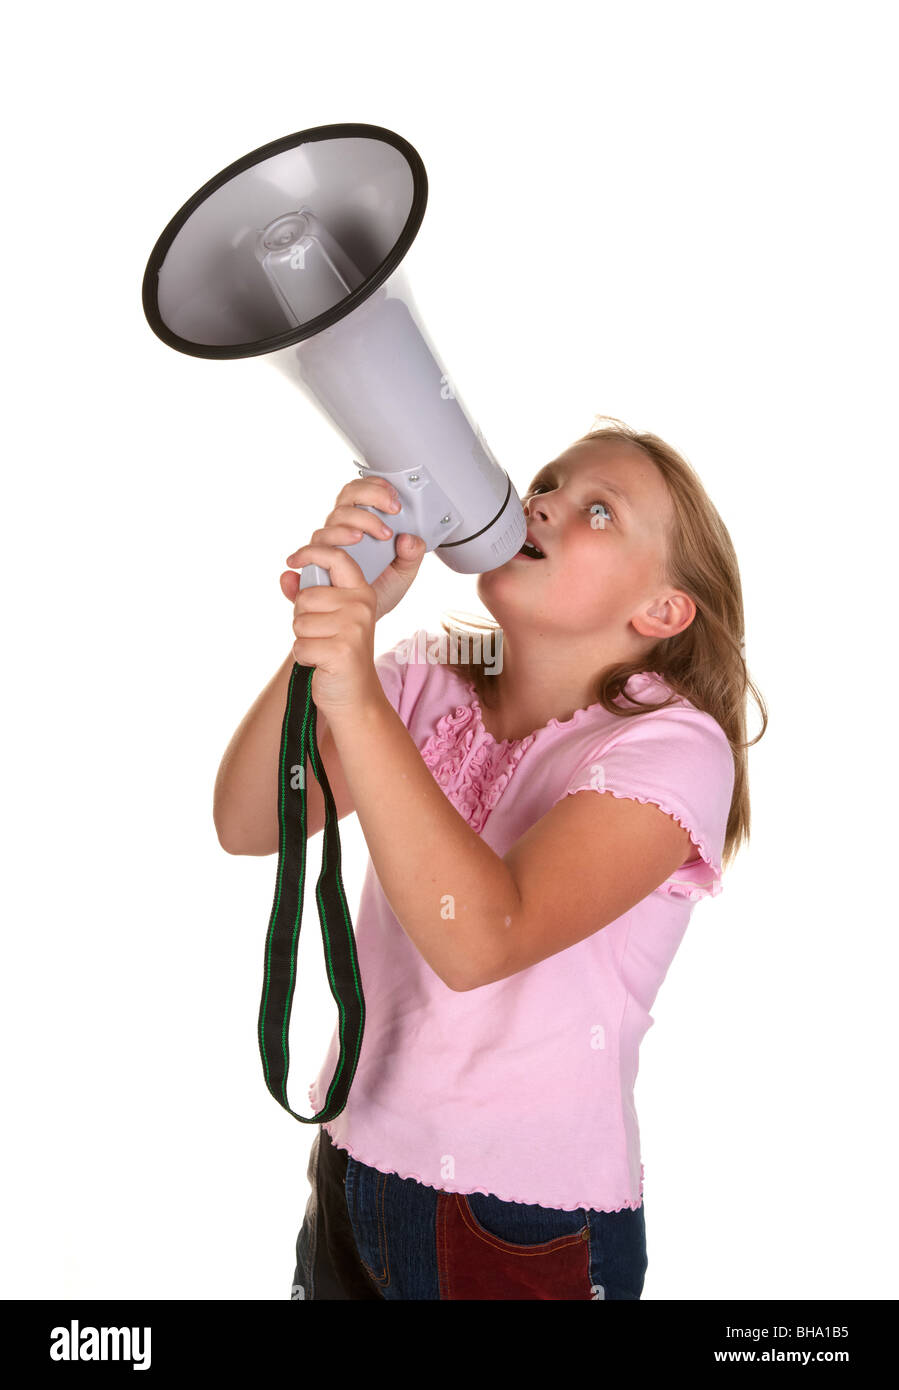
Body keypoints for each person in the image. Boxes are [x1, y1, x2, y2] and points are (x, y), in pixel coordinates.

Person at [214, 414, 767, 1300]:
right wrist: (332, 627)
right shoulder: (432, 673)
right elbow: (250, 820)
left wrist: (355, 695)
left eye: (598, 511)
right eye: (547, 483)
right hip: (353, 1155)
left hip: (518, 1218)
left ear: (661, 611)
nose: (542, 503)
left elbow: (480, 940)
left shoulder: (673, 744)